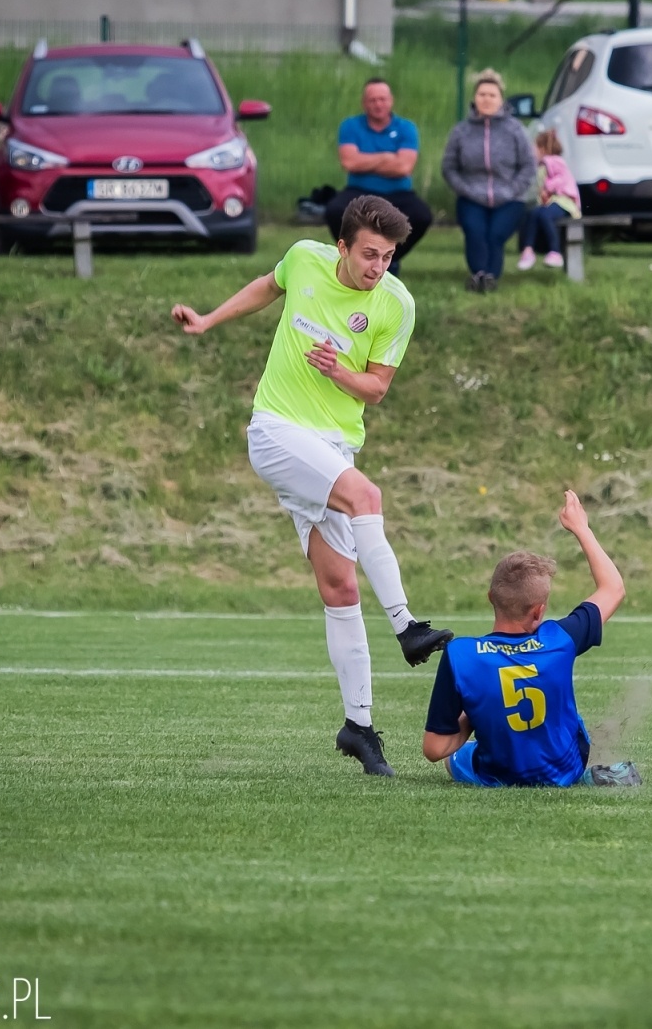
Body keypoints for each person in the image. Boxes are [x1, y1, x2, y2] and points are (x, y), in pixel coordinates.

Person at [170, 195, 454, 778]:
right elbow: (265, 286)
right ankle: (407, 627)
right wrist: (208, 320)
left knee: (340, 587)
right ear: (343, 246)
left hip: (333, 447)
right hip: (276, 432)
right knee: (366, 497)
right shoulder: (304, 257)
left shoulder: (396, 303)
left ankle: (359, 726)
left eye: (389, 256)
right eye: (370, 254)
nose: (379, 267)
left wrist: (338, 372)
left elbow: (375, 390)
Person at [422, 491, 639, 788]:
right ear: (538, 611)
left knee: (454, 758)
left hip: (498, 773)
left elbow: (434, 749)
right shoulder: (559, 639)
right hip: (567, 770)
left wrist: (475, 713)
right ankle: (589, 774)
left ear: (490, 598)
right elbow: (613, 588)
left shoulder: (461, 654)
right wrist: (581, 529)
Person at [322, 78, 433, 275]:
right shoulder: (350, 126)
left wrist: (364, 161)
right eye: (372, 100)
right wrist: (386, 157)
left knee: (422, 216)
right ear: (364, 103)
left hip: (398, 192)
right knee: (334, 210)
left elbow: (404, 167)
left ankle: (391, 258)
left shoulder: (406, 128)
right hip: (359, 191)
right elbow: (349, 163)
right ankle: (352, 256)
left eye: (382, 99)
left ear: (391, 101)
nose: (378, 104)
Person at [441, 68, 536, 292]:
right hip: (471, 196)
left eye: (492, 95)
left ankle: (489, 277)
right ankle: (480, 275)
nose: (487, 99)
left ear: (501, 100)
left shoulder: (515, 130)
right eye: (482, 94)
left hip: (510, 197)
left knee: (495, 234)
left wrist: (512, 190)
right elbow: (449, 167)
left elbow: (529, 165)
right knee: (475, 231)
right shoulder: (461, 131)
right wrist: (464, 189)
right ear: (475, 98)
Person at [517, 128, 581, 271]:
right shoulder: (543, 165)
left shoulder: (554, 161)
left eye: (534, 149)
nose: (532, 153)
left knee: (544, 214)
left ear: (542, 149)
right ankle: (528, 250)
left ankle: (555, 251)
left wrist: (548, 188)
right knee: (534, 213)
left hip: (565, 203)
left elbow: (561, 178)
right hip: (552, 202)